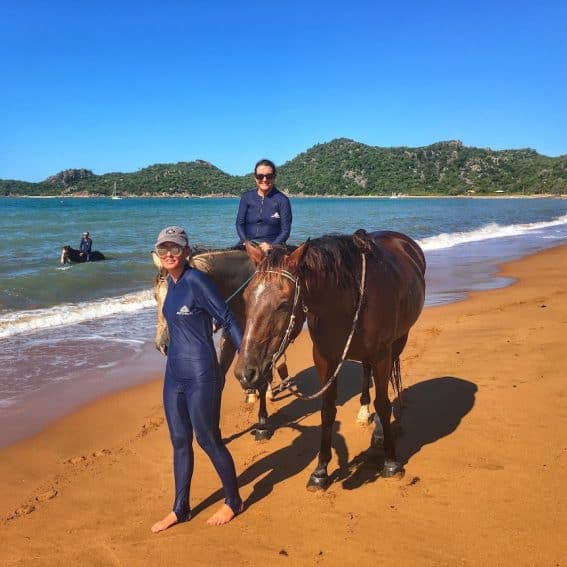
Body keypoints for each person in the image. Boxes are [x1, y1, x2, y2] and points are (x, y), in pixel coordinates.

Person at [151, 225, 243, 533]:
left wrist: (246, 353)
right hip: (174, 374)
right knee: (179, 441)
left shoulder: (196, 280)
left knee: (207, 439)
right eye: (163, 249)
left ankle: (233, 501)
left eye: (175, 248)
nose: (169, 254)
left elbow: (227, 318)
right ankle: (181, 509)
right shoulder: (171, 284)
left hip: (202, 373)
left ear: (186, 252)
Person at [235, 159, 292, 254]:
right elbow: (239, 223)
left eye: (269, 176)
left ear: (274, 177)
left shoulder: (282, 200)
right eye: (260, 176)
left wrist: (272, 246)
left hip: (272, 248)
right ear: (255, 178)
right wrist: (245, 241)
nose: (264, 180)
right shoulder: (246, 197)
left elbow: (285, 231)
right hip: (247, 245)